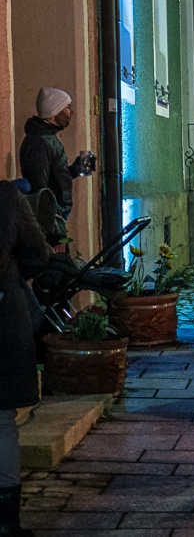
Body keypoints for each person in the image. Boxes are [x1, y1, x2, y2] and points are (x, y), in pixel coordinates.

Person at [0, 181, 51, 537]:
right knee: (2, 422)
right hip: (3, 318)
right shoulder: (6, 199)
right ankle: (6, 522)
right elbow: (37, 253)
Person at [19, 87, 92, 223]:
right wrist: (54, 232)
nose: (72, 112)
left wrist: (76, 170)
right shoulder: (40, 141)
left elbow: (53, 180)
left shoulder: (46, 139)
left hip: (55, 220)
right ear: (55, 110)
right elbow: (40, 189)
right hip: (51, 223)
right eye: (68, 107)